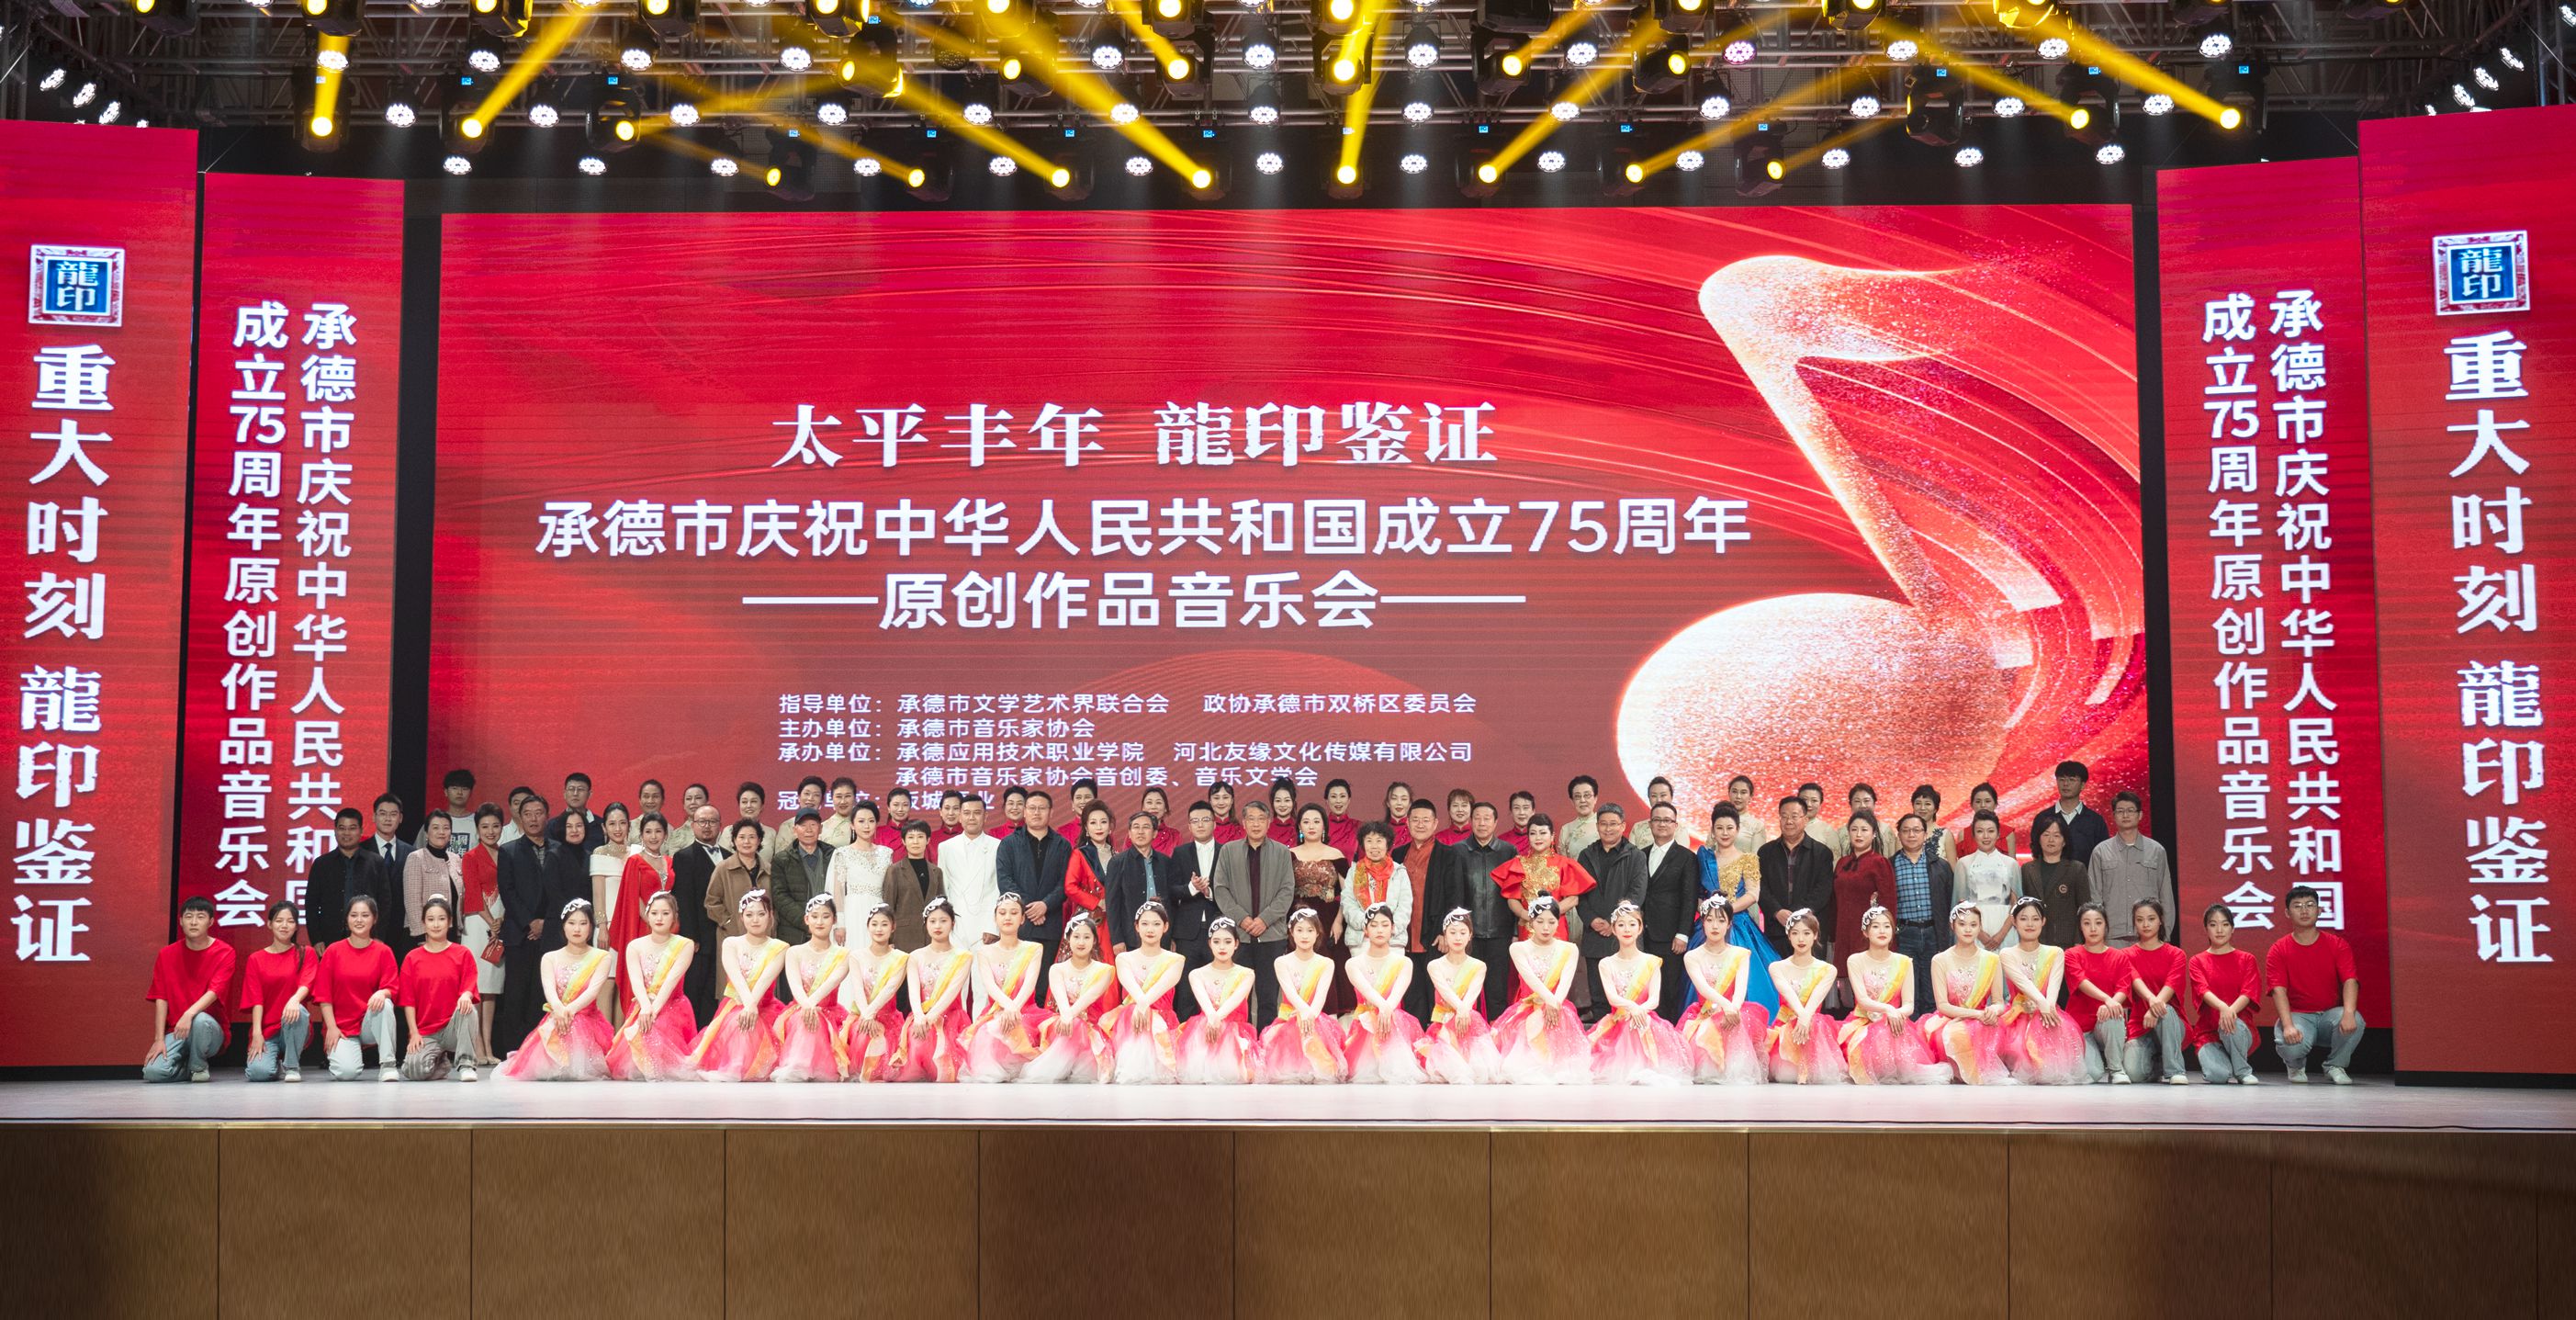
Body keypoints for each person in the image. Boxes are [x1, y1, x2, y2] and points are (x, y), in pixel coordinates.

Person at [495, 899, 617, 1082]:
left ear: (591, 927)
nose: (577, 929)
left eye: (583, 923)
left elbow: (592, 992)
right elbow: (549, 990)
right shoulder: (550, 957)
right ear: (563, 926)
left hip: (586, 1019)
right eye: (572, 923)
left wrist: (569, 1010)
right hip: (557, 1017)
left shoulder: (602, 957)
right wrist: (559, 1009)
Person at [1690, 807, 1782, 1021]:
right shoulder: (1704, 858)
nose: (1725, 832)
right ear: (1712, 831)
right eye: (1719, 828)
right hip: (1708, 926)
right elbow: (1699, 894)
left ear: (1737, 830)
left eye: (1730, 828)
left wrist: (1725, 912)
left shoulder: (1748, 859)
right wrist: (1707, 912)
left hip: (1739, 925)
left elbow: (1753, 894)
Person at [690, 890, 792, 1082]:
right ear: (741, 917)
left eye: (761, 914)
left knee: (751, 1022)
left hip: (766, 1007)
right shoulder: (731, 943)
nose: (755, 920)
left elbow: (765, 980)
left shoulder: (780, 947)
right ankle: (733, 1067)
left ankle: (745, 1067)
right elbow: (735, 976)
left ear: (770, 915)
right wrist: (748, 1005)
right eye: (749, 914)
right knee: (738, 1021)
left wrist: (752, 1007)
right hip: (736, 1004)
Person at [1838, 906, 1946, 1085]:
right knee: (1876, 1037)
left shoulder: (1904, 962)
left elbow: (1909, 1005)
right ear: (1865, 932)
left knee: (1889, 1032)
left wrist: (1895, 1014)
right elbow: (1863, 1000)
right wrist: (1888, 1009)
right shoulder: (1855, 960)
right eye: (1876, 926)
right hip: (1863, 1021)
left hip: (1894, 1021)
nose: (1882, 931)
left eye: (1887, 926)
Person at [2267, 885, 2365, 1084]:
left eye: (2310, 905)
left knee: (2356, 1019)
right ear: (2287, 913)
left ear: (2319, 910)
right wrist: (2288, 1025)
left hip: (2329, 1016)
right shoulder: (2279, 949)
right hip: (2299, 1016)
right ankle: (2295, 1065)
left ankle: (2335, 1065)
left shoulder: (2337, 944)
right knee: (2290, 1044)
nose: (2304, 910)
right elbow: (2278, 991)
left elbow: (2350, 980)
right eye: (2297, 906)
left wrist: (2348, 1013)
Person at [1212, 801, 1296, 1026]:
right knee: (1239, 997)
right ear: (1243, 823)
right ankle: (1243, 1040)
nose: (1256, 824)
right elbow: (1220, 889)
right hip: (1238, 937)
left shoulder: (1282, 852)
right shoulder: (1228, 851)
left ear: (1268, 823)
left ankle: (1266, 1041)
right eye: (1251, 819)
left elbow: (1287, 891)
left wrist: (1264, 920)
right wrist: (1242, 919)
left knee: (1268, 996)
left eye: (1261, 819)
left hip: (1272, 935)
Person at [1587, 902, 1688, 1085]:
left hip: (1644, 1019)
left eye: (1632, 924)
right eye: (1621, 925)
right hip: (1618, 1020)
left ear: (1640, 928)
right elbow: (1612, 998)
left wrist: (1639, 1010)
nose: (1627, 929)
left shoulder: (1652, 962)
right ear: (1614, 929)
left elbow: (1654, 999)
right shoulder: (1606, 963)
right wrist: (1631, 1007)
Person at [1494, 897, 1590, 1084]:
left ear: (1558, 922)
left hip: (1558, 1007)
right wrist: (1550, 1001)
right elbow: (1530, 979)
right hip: (1530, 1008)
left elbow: (1566, 981)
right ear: (1531, 922)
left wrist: (1555, 1003)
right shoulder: (1518, 948)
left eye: (1551, 922)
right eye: (1540, 922)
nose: (1546, 927)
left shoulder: (1569, 949)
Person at [605, 892, 700, 1081]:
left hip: (672, 1006)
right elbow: (636, 981)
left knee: (659, 1026)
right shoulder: (635, 946)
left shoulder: (685, 945)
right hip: (643, 1006)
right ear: (647, 916)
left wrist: (653, 1010)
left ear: (674, 916)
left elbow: (671, 980)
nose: (659, 918)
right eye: (654, 913)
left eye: (665, 913)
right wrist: (646, 1007)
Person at [493, 794, 563, 1048]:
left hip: (551, 933)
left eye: (538, 813)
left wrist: (546, 922)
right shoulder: (508, 851)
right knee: (516, 994)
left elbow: (562, 892)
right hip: (519, 934)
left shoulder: (560, 849)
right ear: (520, 818)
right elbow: (507, 891)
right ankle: (513, 1051)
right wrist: (530, 922)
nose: (533, 819)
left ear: (547, 816)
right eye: (528, 814)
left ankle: (542, 1049)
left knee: (544, 993)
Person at [1677, 897, 1769, 1085]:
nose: (1715, 926)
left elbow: (1741, 989)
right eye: (1710, 920)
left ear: (1729, 924)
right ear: (1702, 923)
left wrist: (1732, 1009)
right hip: (1705, 1014)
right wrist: (1725, 1006)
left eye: (1721, 920)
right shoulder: (1692, 956)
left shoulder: (1740, 954)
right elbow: (1702, 987)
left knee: (1736, 1028)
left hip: (1733, 1011)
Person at [1021, 912, 1119, 1084]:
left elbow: (1089, 997)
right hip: (1062, 1025)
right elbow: (1061, 999)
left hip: (1090, 1029)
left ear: (1094, 940)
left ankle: (1059, 1067)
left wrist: (1070, 1017)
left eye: (1087, 937)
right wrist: (1067, 1017)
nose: (1081, 942)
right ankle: (1057, 1067)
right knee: (1072, 1024)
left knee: (1077, 1024)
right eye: (1076, 937)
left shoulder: (1104, 970)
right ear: (1068, 939)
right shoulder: (1057, 969)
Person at [143, 898, 235, 1082]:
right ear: (180, 921)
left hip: (208, 1029)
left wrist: (189, 1014)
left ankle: (198, 1067)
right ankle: (187, 1069)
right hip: (177, 1030)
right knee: (153, 1072)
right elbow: (161, 997)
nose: (193, 922)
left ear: (210, 922)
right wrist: (159, 1039)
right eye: (188, 917)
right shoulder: (166, 954)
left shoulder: (225, 952)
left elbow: (215, 991)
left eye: (200, 917)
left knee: (200, 1020)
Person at [962, 894, 1050, 1082]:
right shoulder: (984, 952)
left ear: (1023, 918)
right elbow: (990, 986)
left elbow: (1030, 984)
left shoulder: (1033, 948)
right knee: (992, 1029)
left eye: (1014, 913)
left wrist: (1013, 1008)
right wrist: (1008, 1007)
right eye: (1002, 913)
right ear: (995, 918)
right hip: (997, 1010)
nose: (1008, 917)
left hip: (1026, 1010)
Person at [1996, 897, 2084, 1085]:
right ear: (2014, 921)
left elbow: (2054, 986)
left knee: (2055, 1052)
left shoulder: (2055, 952)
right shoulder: (2006, 953)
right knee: (2018, 1050)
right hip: (2017, 1015)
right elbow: (2022, 983)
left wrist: (2048, 1006)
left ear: (2043, 921)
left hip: (2047, 1011)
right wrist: (2041, 1002)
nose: (2030, 924)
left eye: (2035, 919)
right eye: (2023, 918)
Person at [1255, 908, 1347, 1084]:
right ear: (1291, 932)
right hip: (1288, 1018)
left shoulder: (1326, 963)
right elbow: (1290, 992)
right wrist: (1303, 1013)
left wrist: (1309, 1015)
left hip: (1314, 1018)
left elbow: (1321, 996)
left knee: (1325, 1069)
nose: (1305, 935)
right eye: (1299, 930)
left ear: (1317, 933)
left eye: (1310, 930)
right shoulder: (1281, 962)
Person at [318, 895, 402, 1082]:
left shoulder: (383, 951)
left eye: (365, 915)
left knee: (385, 1003)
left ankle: (388, 1065)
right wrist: (331, 1027)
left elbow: (392, 988)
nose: (359, 920)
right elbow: (324, 995)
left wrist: (382, 992)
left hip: (369, 1022)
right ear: (347, 919)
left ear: (374, 919)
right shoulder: (333, 951)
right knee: (346, 1073)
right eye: (354, 915)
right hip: (342, 1027)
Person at [398, 896, 483, 1081]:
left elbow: (469, 986)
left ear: (450, 922)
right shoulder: (412, 958)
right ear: (424, 922)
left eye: (441, 919)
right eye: (431, 919)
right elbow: (408, 1000)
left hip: (453, 1027)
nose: (436, 924)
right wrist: (414, 1033)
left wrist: (466, 996)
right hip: (427, 1031)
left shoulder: (462, 953)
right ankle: (441, 1063)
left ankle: (466, 1064)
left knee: (468, 1009)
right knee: (413, 1070)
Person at [770, 896, 853, 1083]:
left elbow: (831, 982)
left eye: (825, 916)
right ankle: (797, 1065)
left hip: (830, 1012)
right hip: (799, 1009)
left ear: (834, 920)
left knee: (815, 1018)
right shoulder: (794, 952)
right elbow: (795, 985)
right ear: (806, 919)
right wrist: (807, 1006)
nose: (820, 921)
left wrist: (811, 1006)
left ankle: (808, 1065)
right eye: (814, 916)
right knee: (803, 1017)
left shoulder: (844, 954)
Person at [1923, 902, 2008, 1085]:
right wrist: (1977, 1014)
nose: (1968, 929)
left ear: (1980, 926)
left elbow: (1999, 1002)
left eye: (1973, 924)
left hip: (1983, 1020)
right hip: (1950, 1019)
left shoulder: (1992, 959)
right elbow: (1942, 1006)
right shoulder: (1940, 960)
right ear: (1952, 926)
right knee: (1950, 1035)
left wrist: (1993, 1011)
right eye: (1962, 924)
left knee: (1993, 1031)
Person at [1341, 903, 1426, 1084]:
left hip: (1393, 1020)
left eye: (1385, 925)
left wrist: (1386, 1010)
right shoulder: (1353, 964)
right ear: (1365, 930)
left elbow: (1397, 994)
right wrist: (1383, 1007)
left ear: (1393, 928)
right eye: (1374, 925)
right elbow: (1366, 990)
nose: (1380, 930)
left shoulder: (1404, 963)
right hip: (1365, 1026)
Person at [1392, 803, 1464, 1021]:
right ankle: (1416, 1037)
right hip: (1404, 935)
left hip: (1435, 935)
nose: (1420, 824)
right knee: (1412, 995)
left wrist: (1446, 932)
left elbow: (1456, 895)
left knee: (1436, 994)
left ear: (1435, 824)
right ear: (1407, 822)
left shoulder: (1448, 854)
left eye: (1426, 820)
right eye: (1415, 820)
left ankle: (1436, 1038)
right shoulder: (1398, 854)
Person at [1574, 804, 1645, 1024]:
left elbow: (1637, 894)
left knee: (1626, 995)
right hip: (1594, 934)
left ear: (1623, 826)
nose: (1608, 829)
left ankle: (1625, 1038)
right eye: (1603, 824)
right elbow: (1580, 894)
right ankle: (1601, 1037)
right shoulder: (1586, 855)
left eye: (1613, 824)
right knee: (1599, 997)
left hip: (1624, 935)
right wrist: (1592, 920)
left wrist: (1611, 922)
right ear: (1597, 826)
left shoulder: (1635, 856)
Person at [1416, 909, 1504, 1085]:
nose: (1458, 938)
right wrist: (1461, 1010)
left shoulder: (1478, 966)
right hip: (1444, 1022)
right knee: (1445, 1067)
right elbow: (1445, 992)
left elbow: (1472, 994)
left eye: (1463, 933)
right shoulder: (1435, 965)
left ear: (1470, 935)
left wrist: (1464, 1011)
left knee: (1481, 1068)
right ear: (1445, 935)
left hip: (1468, 1022)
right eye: (1453, 933)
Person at [894, 898, 973, 1083]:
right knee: (918, 1042)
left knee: (946, 1060)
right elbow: (914, 991)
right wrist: (919, 1017)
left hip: (951, 1018)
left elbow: (952, 991)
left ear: (953, 923)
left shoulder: (963, 956)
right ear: (926, 924)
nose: (938, 926)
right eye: (932, 921)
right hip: (921, 1017)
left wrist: (930, 1018)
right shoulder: (915, 956)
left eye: (943, 921)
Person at [1884, 813, 1956, 1016]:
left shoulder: (1940, 865)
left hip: (1934, 932)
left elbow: (1949, 901)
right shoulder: (1889, 866)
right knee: (1909, 991)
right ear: (1899, 835)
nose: (1911, 835)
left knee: (1933, 989)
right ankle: (1911, 1031)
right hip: (1904, 934)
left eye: (1916, 830)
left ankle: (1931, 1029)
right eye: (1906, 831)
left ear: (1925, 834)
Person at [1453, 801, 1520, 1018]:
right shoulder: (1458, 851)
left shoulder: (1508, 851)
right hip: (1467, 934)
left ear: (1496, 822)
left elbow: (1515, 893)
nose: (1482, 823)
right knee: (1467, 990)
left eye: (1487, 818)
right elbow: (1455, 894)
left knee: (1497, 990)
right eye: (1477, 818)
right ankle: (1470, 1030)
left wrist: (1515, 931)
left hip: (1500, 932)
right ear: (1471, 821)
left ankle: (1495, 1030)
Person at [1635, 803, 1699, 1021]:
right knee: (1645, 987)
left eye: (1667, 820)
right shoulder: (1640, 855)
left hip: (1671, 936)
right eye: (1657, 820)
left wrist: (1683, 933)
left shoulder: (1686, 857)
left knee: (1668, 989)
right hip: (1642, 934)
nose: (1662, 824)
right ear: (1650, 824)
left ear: (1675, 825)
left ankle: (1668, 1033)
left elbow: (1689, 897)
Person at [1109, 901, 1187, 1084]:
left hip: (1162, 1021)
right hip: (1132, 1020)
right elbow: (1130, 986)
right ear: (1137, 927)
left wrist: (1143, 1005)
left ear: (1165, 927)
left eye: (1156, 924)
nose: (1150, 929)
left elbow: (1162, 987)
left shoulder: (1175, 959)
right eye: (1144, 924)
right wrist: (1141, 1006)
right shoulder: (1124, 958)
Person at [1762, 910, 1842, 1085]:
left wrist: (1805, 1019)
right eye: (1795, 933)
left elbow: (1815, 1000)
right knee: (1785, 1074)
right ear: (1789, 936)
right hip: (1785, 1026)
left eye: (1806, 933)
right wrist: (1802, 1017)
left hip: (1812, 1026)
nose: (1801, 939)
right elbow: (1788, 994)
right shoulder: (1777, 967)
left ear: (1815, 935)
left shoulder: (1828, 970)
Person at [1177, 919, 1261, 1085]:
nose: (1222, 947)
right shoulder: (1197, 974)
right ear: (1210, 944)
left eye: (1228, 942)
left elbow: (1236, 999)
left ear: (1236, 944)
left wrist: (1216, 1018)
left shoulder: (1246, 974)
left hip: (1234, 1032)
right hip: (1206, 1028)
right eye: (1216, 942)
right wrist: (1212, 1018)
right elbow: (1203, 1000)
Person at [996, 792, 1074, 967]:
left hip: (1050, 924)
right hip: (1018, 925)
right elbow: (1005, 881)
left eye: (1042, 808)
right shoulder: (1009, 844)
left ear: (1051, 812)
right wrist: (1030, 907)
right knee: (1017, 979)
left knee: (1045, 981)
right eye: (1032, 808)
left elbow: (1065, 883)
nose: (1036, 812)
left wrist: (1045, 905)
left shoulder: (1062, 845)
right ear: (1024, 811)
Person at [242, 899, 316, 1082]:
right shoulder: (256, 959)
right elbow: (256, 999)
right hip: (267, 1030)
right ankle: (276, 1066)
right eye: (279, 920)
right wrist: (257, 1033)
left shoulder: (306, 953)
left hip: (295, 1025)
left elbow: (307, 983)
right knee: (258, 1073)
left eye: (290, 921)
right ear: (269, 924)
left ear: (296, 926)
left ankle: (292, 1066)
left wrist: (294, 1000)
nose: (284, 925)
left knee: (298, 1010)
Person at [836, 904, 911, 1083]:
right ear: (868, 926)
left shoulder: (901, 958)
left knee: (881, 1041)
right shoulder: (856, 956)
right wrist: (867, 1016)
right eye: (874, 924)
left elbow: (890, 989)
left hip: (888, 1017)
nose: (879, 929)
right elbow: (857, 989)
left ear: (893, 927)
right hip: (862, 1016)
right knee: (862, 1034)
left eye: (884, 924)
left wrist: (870, 1015)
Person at [2188, 904, 2261, 1085]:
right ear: (2206, 929)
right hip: (2209, 1032)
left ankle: (2242, 1071)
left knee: (2230, 1022)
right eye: (2213, 925)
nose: (2219, 930)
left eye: (2225, 924)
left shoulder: (2247, 959)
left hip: (2238, 1029)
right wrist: (2222, 1007)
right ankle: (2226, 1063)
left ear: (2233, 928)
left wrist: (2229, 1011)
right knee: (2217, 1076)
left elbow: (2248, 992)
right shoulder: (2197, 961)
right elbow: (2202, 990)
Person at [2088, 792, 2175, 946]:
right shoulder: (2100, 852)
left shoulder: (2156, 851)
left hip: (2148, 935)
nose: (2125, 815)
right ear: (2113, 816)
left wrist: (2165, 935)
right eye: (2120, 811)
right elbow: (2095, 898)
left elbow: (2165, 895)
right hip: (2112, 937)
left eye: (2130, 810)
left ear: (2140, 815)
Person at [669, 804, 730, 1026]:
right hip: (699, 939)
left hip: (725, 935)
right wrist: (690, 937)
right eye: (702, 822)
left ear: (720, 826)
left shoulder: (729, 856)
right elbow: (684, 899)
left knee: (719, 990)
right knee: (695, 990)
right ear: (693, 825)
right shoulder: (684, 857)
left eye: (712, 821)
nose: (707, 826)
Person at [1287, 805, 1349, 1011]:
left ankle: (1328, 1018)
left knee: (1328, 967)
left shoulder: (1335, 854)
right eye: (1306, 822)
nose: (1311, 826)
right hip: (1298, 919)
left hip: (1329, 919)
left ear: (1324, 826)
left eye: (1316, 821)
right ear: (1299, 827)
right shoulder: (1290, 854)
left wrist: (1339, 921)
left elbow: (1347, 893)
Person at [1757, 796, 1835, 960]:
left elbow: (1822, 891)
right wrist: (1777, 911)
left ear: (1805, 820)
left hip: (1809, 929)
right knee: (1776, 974)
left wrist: (1797, 914)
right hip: (1777, 930)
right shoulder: (1765, 852)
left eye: (1794, 816)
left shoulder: (1822, 853)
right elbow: (1760, 887)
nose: (1789, 821)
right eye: (1784, 816)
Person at [2122, 900, 2190, 1085]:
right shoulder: (2126, 955)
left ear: (2160, 920)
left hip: (2171, 1022)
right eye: (2140, 920)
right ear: (2134, 923)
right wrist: (2151, 1001)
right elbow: (2135, 980)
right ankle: (2157, 1063)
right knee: (2134, 1074)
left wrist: (2154, 1008)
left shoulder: (2176, 954)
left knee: (2165, 1011)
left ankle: (2175, 1070)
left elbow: (2170, 986)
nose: (2146, 924)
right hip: (2141, 1023)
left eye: (2151, 919)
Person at [458, 804, 506, 1065]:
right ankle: (476, 1045)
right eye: (485, 827)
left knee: (492, 987)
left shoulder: (506, 854)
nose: (490, 831)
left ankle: (488, 1044)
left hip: (500, 921)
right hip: (478, 924)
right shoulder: (471, 857)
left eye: (495, 826)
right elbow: (473, 894)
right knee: (477, 985)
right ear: (477, 829)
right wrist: (491, 923)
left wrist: (501, 921)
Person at [2064, 904, 2132, 1084]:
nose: (2093, 928)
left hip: (2108, 1022)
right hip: (2081, 1026)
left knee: (2115, 1014)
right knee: (2092, 1074)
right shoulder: (2072, 955)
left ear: (2106, 925)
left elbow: (2124, 988)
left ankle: (2116, 1070)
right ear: (2080, 927)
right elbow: (2081, 982)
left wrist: (2111, 1004)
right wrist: (2107, 999)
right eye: (2087, 923)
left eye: (2098, 923)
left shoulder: (2120, 957)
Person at [1165, 804, 1221, 1019]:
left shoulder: (1226, 851)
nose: (1200, 825)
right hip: (1187, 933)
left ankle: (1216, 1033)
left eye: (1205, 820)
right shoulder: (1180, 853)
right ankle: (1185, 1034)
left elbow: (1233, 890)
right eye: (1195, 821)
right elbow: (1171, 890)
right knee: (1186, 991)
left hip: (1218, 932)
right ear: (1189, 826)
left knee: (1216, 990)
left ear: (1214, 823)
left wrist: (1209, 892)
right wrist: (1191, 888)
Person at [1828, 813, 1894, 996]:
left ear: (1874, 834)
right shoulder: (1842, 863)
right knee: (1846, 985)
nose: (1858, 834)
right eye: (1854, 829)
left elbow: (1888, 903)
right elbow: (1834, 900)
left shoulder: (1880, 862)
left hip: (1868, 933)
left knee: (1870, 985)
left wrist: (1886, 934)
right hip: (1843, 931)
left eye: (1864, 830)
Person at [306, 807, 385, 950]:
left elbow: (385, 903)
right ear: (335, 831)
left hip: (368, 937)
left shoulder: (376, 862)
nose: (347, 833)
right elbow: (311, 905)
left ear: (361, 831)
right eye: (342, 828)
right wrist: (316, 939)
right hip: (330, 939)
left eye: (352, 828)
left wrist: (379, 936)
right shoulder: (321, 864)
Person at [1341, 822, 1412, 969]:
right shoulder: (1354, 871)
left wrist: (1388, 928)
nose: (1374, 846)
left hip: (1393, 939)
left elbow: (1405, 906)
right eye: (1369, 841)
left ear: (1388, 844)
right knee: (1364, 981)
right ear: (1363, 844)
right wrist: (1368, 926)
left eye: (1379, 841)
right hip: (1362, 937)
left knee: (1391, 981)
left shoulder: (1399, 871)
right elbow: (1348, 903)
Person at [937, 795, 1004, 947]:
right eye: (967, 813)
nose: (971, 818)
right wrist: (945, 922)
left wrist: (993, 926)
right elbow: (944, 889)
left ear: (986, 816)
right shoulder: (946, 847)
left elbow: (998, 888)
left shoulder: (998, 846)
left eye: (977, 813)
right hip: (955, 923)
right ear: (960, 816)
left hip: (986, 925)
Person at [610, 812, 673, 962]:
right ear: (641, 836)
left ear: (665, 835)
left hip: (668, 925)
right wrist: (652, 921)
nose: (653, 837)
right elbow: (633, 896)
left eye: (658, 831)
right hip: (643, 924)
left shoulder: (670, 861)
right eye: (648, 832)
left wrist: (667, 921)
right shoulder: (635, 861)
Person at [401, 811, 465, 963]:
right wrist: (421, 936)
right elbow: (412, 900)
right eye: (436, 828)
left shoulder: (456, 859)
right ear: (426, 833)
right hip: (424, 936)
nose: (441, 832)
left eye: (446, 828)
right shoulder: (416, 858)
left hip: (450, 931)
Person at [1105, 812, 1172, 953]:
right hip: (1131, 938)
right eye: (1136, 827)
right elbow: (1112, 904)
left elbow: (1172, 903)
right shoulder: (1117, 862)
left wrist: (1171, 936)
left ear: (1154, 833)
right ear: (1129, 833)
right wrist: (1117, 939)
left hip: (1162, 936)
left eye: (1146, 827)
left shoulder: (1165, 862)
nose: (1140, 831)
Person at [1955, 811, 2021, 952]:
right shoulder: (1963, 863)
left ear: (1998, 834)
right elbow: (1960, 905)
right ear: (1973, 835)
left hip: (2006, 928)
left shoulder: (2011, 864)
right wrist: (1980, 934)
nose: (1986, 836)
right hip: (1973, 930)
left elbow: (2018, 906)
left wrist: (2001, 934)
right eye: (1980, 831)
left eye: (1991, 831)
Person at [828, 802, 894, 942]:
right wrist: (839, 924)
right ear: (852, 825)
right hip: (853, 912)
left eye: (871, 821)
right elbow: (838, 891)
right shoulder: (842, 853)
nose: (867, 826)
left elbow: (890, 889)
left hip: (879, 911)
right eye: (861, 821)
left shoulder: (886, 853)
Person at [1059, 804, 1119, 954]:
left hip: (1114, 920)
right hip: (1088, 918)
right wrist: (1097, 902)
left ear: (1110, 827)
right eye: (1093, 822)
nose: (1099, 827)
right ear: (1086, 828)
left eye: (1103, 822)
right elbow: (1070, 887)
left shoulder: (1117, 855)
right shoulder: (1079, 854)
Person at [2023, 816, 2090, 948]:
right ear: (2039, 839)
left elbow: (2084, 908)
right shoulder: (2027, 869)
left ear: (2064, 841)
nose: (2051, 840)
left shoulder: (2076, 868)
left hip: (2067, 941)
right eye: (2046, 834)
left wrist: (2079, 941)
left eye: (2056, 835)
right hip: (2034, 940)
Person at [703, 821, 771, 944]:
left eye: (752, 837)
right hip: (732, 936)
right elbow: (711, 902)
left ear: (759, 840)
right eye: (741, 837)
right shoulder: (723, 868)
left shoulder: (769, 870)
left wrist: (772, 923)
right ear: (734, 840)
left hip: (765, 936)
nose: (746, 842)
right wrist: (728, 922)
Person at [2032, 761, 2111, 864]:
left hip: (2085, 874)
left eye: (2072, 780)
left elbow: (2102, 856)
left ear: (2083, 785)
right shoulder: (2043, 818)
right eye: (2062, 779)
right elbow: (2036, 852)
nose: (2066, 784)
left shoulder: (2095, 821)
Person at [585, 804, 634, 967]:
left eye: (622, 823)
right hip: (608, 927)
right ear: (604, 827)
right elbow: (598, 895)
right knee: (608, 977)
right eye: (612, 824)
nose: (618, 829)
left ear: (629, 825)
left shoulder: (637, 853)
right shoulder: (599, 853)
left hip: (633, 925)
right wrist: (602, 928)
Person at [877, 821, 938, 950]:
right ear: (903, 841)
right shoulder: (894, 870)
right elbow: (888, 906)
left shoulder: (936, 872)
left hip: (931, 937)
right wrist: (888, 939)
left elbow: (940, 907)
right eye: (911, 837)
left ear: (928, 840)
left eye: (920, 837)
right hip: (903, 936)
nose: (915, 842)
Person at [771, 808, 832, 933]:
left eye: (813, 825)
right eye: (803, 825)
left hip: (829, 928)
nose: (808, 830)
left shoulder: (833, 855)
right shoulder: (782, 860)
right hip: (795, 931)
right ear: (795, 830)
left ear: (820, 829)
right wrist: (806, 922)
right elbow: (780, 896)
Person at [420, 768, 478, 847]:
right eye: (454, 788)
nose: (459, 792)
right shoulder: (433, 821)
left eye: (464, 789)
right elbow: (419, 849)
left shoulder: (478, 822)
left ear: (471, 793)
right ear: (446, 792)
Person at [546, 774, 603, 852]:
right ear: (564, 794)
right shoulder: (552, 825)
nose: (575, 793)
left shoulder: (601, 825)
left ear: (589, 794)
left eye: (580, 789)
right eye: (571, 789)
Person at [367, 792, 416, 880]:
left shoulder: (411, 853)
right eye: (383, 814)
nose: (388, 819)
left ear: (400, 818)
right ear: (374, 817)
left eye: (393, 814)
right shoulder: (361, 850)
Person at [1967, 782, 2019, 857]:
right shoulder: (1963, 834)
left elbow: (2012, 862)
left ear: (1995, 804)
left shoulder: (2008, 833)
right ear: (1971, 805)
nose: (1983, 805)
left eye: (1987, 801)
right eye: (1978, 802)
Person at [1908, 785, 1957, 865]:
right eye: (1918, 803)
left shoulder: (1945, 835)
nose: (1922, 808)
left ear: (1935, 809)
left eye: (1927, 804)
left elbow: (1953, 868)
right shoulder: (1905, 833)